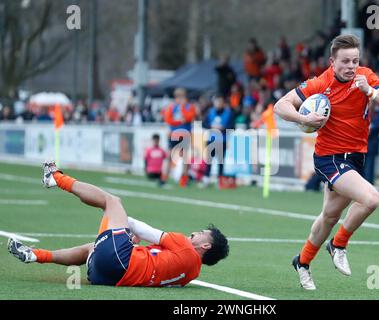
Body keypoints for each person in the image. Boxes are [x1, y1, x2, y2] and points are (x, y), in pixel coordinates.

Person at [274, 34, 379, 290]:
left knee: (329, 216)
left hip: (355, 158)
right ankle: (338, 244)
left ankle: (303, 262)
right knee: (371, 198)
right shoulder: (320, 82)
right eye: (345, 61)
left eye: (355, 60)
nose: (351, 66)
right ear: (333, 61)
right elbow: (280, 105)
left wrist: (371, 92)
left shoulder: (366, 77)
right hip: (329, 158)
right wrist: (303, 119)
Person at [7, 161, 229, 287]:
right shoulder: (191, 274)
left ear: (206, 246)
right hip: (105, 277)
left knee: (113, 201)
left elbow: (141, 228)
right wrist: (128, 239)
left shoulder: (184, 246)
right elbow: (155, 265)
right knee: (90, 248)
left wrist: (125, 226)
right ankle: (36, 255)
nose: (194, 233)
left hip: (119, 261)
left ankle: (57, 179)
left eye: (201, 233)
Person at [163, 88, 197, 187]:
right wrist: (179, 121)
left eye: (181, 96)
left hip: (185, 135)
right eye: (178, 97)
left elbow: (189, 117)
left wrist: (182, 111)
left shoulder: (189, 107)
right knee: (169, 156)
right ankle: (164, 178)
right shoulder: (171, 107)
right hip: (174, 134)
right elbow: (168, 120)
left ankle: (184, 180)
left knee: (185, 158)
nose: (179, 99)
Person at [202, 94, 234, 188]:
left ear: (223, 103)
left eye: (220, 102)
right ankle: (206, 179)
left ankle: (220, 181)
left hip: (222, 140)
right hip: (211, 139)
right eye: (217, 102)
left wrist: (222, 128)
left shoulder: (228, 113)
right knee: (209, 160)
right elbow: (204, 123)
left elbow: (232, 127)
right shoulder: (210, 112)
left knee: (220, 161)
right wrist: (211, 127)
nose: (218, 104)